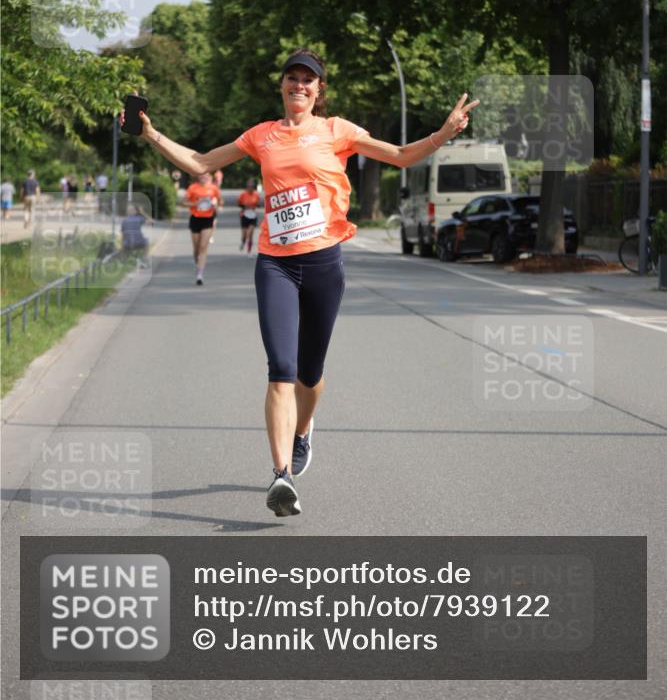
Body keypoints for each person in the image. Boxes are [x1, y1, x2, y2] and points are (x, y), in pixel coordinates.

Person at [121, 50, 478, 518]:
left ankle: (304, 430)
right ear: (283, 86)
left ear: (318, 90)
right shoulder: (261, 136)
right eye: (292, 78)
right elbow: (200, 163)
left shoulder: (338, 132)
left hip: (324, 263)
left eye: (308, 80)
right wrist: (150, 133)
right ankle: (281, 475)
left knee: (311, 375)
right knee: (281, 370)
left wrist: (443, 134)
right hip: (276, 264)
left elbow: (401, 157)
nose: (299, 86)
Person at [182, 171, 221, 285]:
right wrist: (195, 204)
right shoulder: (193, 188)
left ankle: (200, 274)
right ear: (198, 176)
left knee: (203, 247)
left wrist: (215, 204)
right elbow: (184, 202)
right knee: (196, 249)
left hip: (208, 219)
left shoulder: (214, 188)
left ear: (209, 177)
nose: (203, 177)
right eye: (201, 175)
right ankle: (198, 263)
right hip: (195, 218)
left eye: (206, 175)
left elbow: (220, 202)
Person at [237, 178, 261, 254]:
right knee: (244, 235)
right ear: (247, 186)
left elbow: (259, 204)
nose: (250, 187)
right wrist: (245, 206)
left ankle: (249, 251)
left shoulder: (256, 195)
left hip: (253, 216)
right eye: (249, 186)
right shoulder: (243, 194)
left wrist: (256, 205)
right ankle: (243, 242)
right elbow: (239, 204)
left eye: (252, 186)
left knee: (250, 234)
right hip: (244, 215)